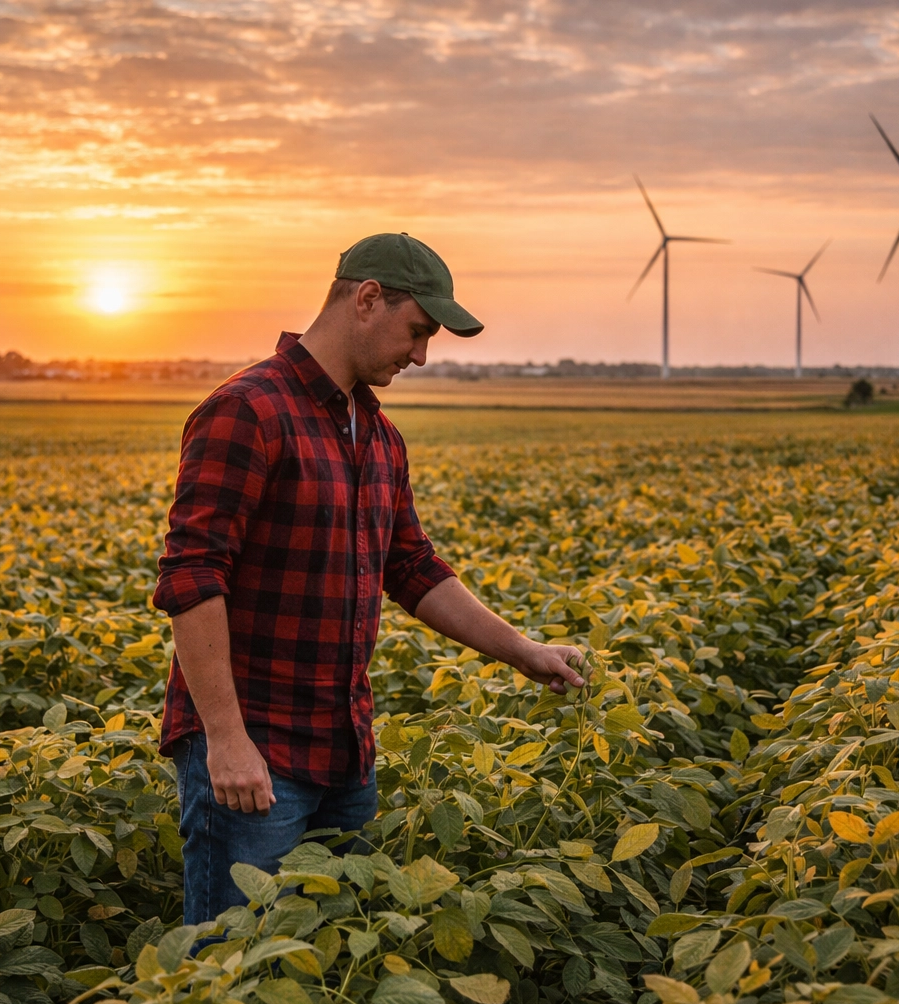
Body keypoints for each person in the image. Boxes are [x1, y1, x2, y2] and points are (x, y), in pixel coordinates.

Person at [153, 232, 585, 925]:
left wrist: (525, 652)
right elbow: (192, 576)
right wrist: (226, 741)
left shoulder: (379, 437)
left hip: (346, 756)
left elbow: (411, 566)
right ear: (367, 299)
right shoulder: (249, 410)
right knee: (230, 971)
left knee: (328, 957)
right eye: (417, 332)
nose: (419, 355)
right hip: (254, 759)